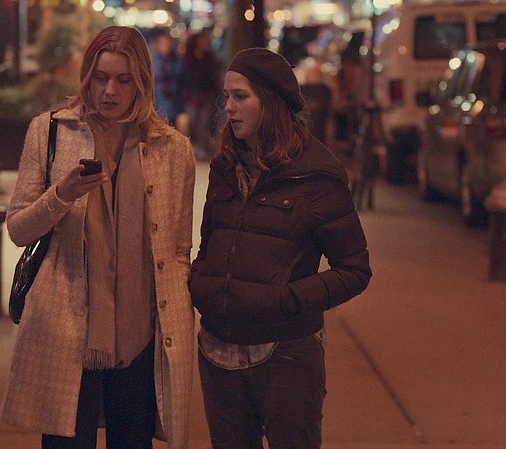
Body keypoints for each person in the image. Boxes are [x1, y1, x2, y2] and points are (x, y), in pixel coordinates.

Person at [0, 26, 197, 449]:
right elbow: (18, 228)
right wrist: (61, 195)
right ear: (86, 77)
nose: (109, 91)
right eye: (101, 78)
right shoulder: (51, 131)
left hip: (141, 336)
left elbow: (179, 250)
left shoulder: (171, 149)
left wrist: (178, 324)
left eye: (123, 80)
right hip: (67, 332)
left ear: (142, 82)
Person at [188, 47, 372, 449]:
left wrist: (288, 299)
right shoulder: (225, 165)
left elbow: (355, 270)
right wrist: (203, 283)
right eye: (227, 96)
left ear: (270, 102)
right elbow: (211, 241)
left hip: (285, 354)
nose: (228, 107)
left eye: (241, 96)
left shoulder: (316, 175)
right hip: (218, 349)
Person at [180, 31, 222, 160]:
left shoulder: (209, 59)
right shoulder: (187, 59)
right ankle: (195, 148)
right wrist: (187, 95)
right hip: (191, 97)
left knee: (204, 123)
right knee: (193, 122)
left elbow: (213, 78)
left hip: (206, 96)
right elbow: (183, 79)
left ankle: (205, 149)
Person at [152, 33, 184, 126]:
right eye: (163, 44)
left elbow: (181, 78)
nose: (166, 46)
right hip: (159, 102)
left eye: (167, 43)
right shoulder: (153, 61)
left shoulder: (177, 61)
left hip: (174, 102)